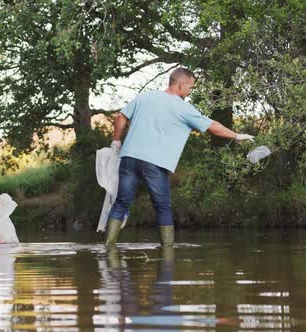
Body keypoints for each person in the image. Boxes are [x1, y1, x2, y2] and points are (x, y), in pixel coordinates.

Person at [106, 68, 255, 246]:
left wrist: (116, 141)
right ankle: (168, 254)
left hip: (129, 158)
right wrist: (236, 136)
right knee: (162, 207)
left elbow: (121, 117)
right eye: (190, 88)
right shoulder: (183, 108)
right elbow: (211, 126)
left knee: (121, 203)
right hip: (154, 163)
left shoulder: (144, 97)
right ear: (182, 84)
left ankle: (108, 248)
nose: (190, 92)